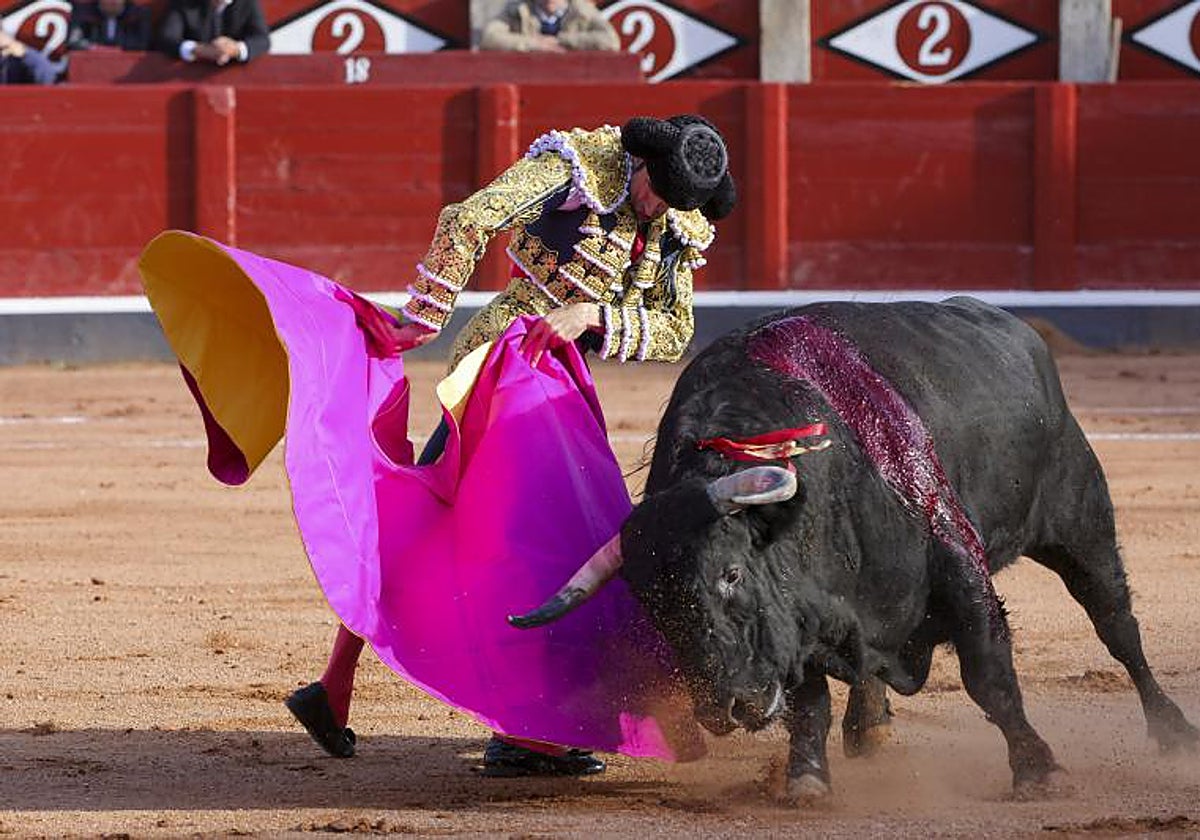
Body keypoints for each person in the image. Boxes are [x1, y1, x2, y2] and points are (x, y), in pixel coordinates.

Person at [285, 114, 737, 777]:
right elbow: (469, 218)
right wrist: (424, 317)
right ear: (641, 163)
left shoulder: (678, 223)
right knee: (543, 537)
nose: (658, 209)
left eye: (673, 204)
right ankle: (521, 732)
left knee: (433, 521)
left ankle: (334, 687)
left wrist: (595, 315)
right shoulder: (576, 168)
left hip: (558, 385)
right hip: (500, 361)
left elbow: (675, 328)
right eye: (656, 193)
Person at [156, 0, 269, 65]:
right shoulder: (184, 2)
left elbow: (262, 39)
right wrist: (198, 49)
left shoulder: (247, 2)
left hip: (235, 75)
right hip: (188, 75)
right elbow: (167, 38)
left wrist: (235, 49)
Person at [480, 0, 619, 53]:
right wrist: (535, 44)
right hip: (528, 77)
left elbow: (610, 41)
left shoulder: (582, 10)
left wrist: (561, 40)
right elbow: (489, 38)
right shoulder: (518, 9)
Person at [67, 0, 152, 51]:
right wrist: (93, 48)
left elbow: (143, 44)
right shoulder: (83, 12)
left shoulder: (139, 14)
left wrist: (117, 50)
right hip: (91, 65)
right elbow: (74, 41)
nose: (113, 1)